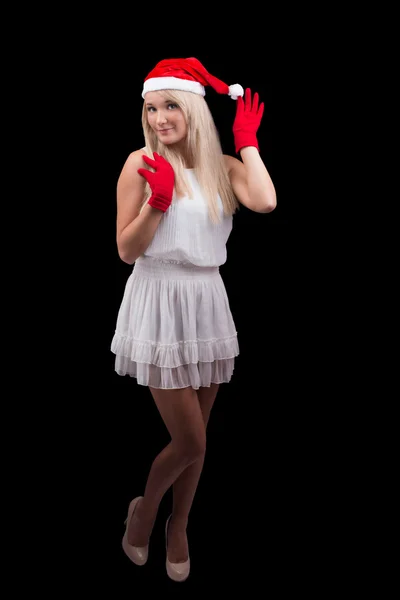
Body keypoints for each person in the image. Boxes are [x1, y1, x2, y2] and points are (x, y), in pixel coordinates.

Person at [111, 57, 276, 582]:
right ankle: (144, 513)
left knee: (199, 431)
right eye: (152, 107)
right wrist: (156, 203)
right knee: (192, 441)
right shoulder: (139, 162)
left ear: (196, 111)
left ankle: (178, 524)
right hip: (159, 299)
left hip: (206, 299)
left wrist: (247, 144)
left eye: (171, 106)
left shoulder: (223, 167)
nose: (160, 118)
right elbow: (125, 249)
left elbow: (266, 201)